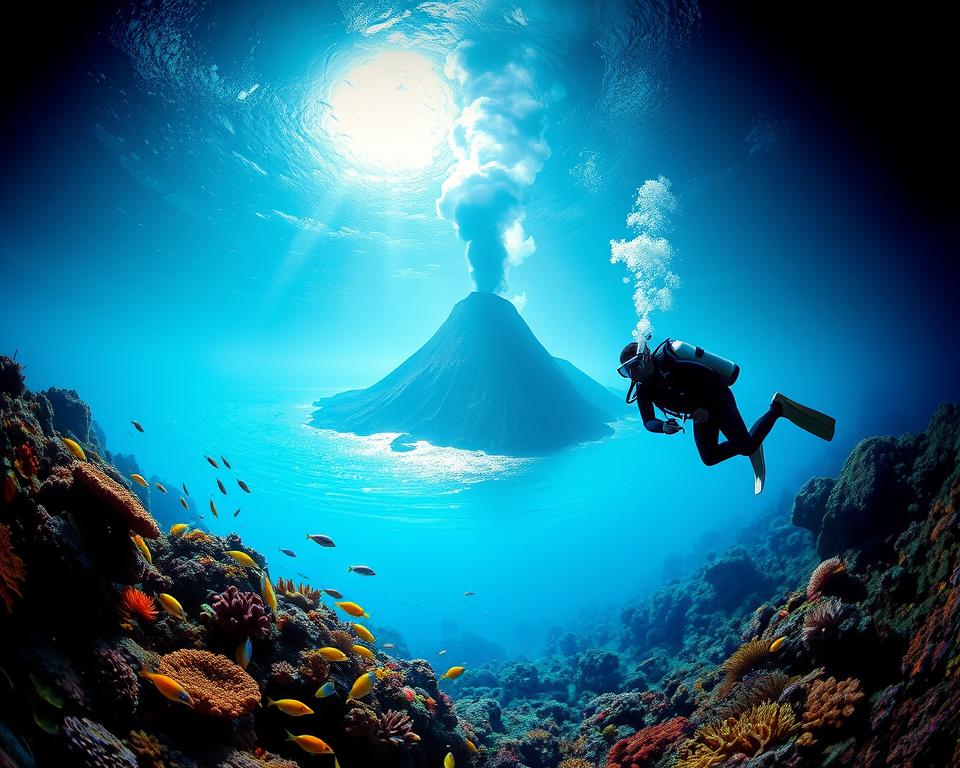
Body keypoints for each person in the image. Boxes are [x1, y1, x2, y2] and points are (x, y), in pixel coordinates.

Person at [617, 339, 835, 493]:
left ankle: (778, 408)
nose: (633, 374)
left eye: (635, 365)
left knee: (747, 447)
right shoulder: (644, 390)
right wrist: (662, 426)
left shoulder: (669, 362)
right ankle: (748, 438)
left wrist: (705, 407)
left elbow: (709, 377)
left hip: (716, 397)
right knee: (709, 458)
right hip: (699, 413)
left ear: (646, 357)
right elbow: (648, 422)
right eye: (627, 371)